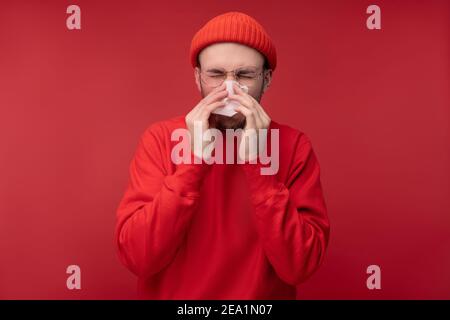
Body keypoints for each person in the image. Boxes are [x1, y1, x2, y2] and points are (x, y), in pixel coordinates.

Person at [115, 11, 330, 299]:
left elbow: (299, 266)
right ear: (197, 77)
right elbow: (138, 257)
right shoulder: (160, 139)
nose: (229, 90)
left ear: (266, 79)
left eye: (245, 75)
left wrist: (258, 167)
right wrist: (194, 163)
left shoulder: (293, 146)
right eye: (216, 74)